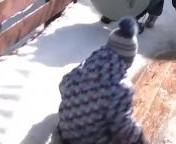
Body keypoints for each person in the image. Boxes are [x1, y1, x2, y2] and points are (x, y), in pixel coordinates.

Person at [57, 16, 145, 144]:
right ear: (128, 60)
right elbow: (121, 125)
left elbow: (63, 85)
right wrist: (138, 138)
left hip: (66, 132)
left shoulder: (86, 66)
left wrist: (79, 103)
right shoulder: (121, 88)